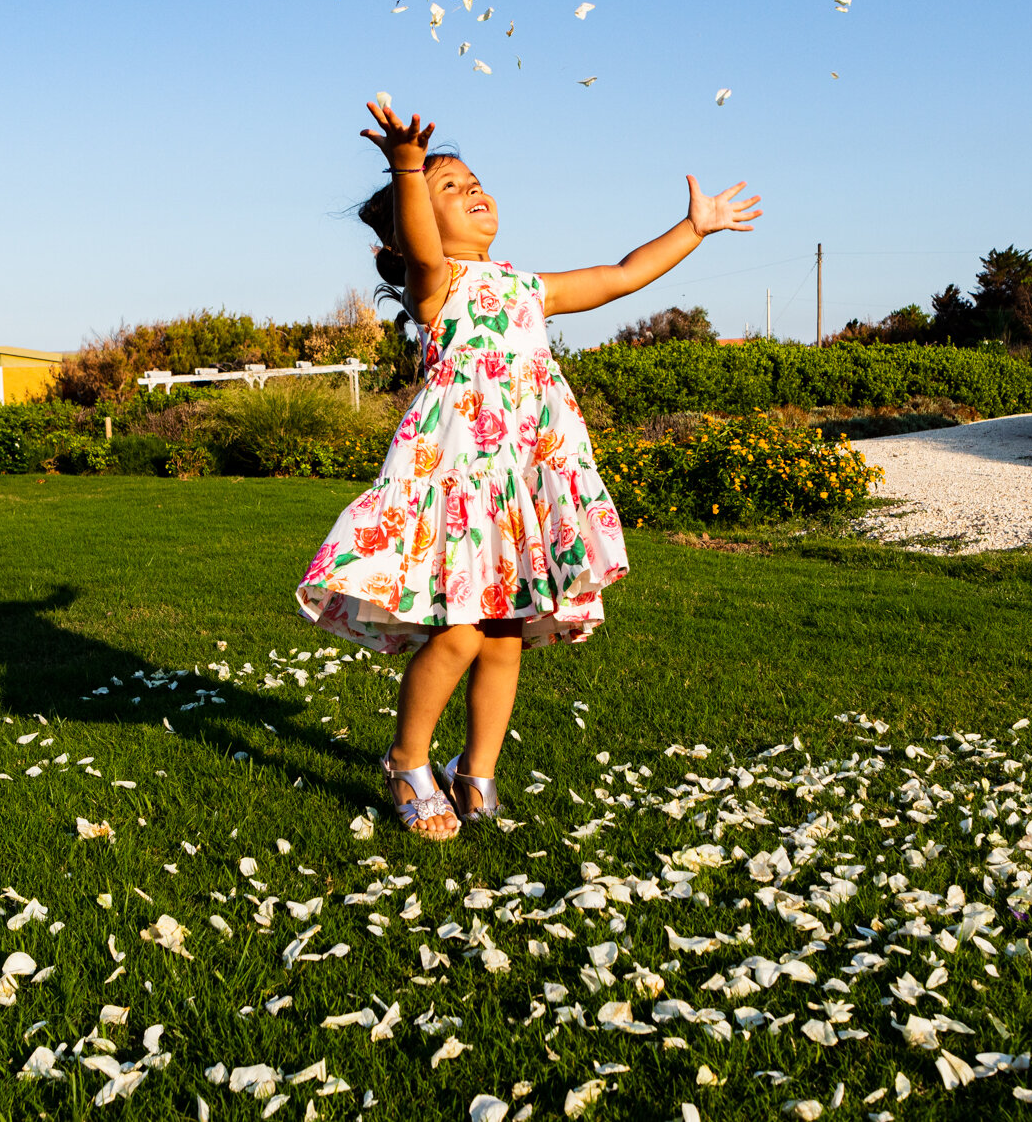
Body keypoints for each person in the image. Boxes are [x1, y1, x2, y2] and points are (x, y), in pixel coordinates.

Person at [295, 102, 763, 840]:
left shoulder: (525, 286)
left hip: (520, 484)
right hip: (460, 485)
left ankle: (475, 774)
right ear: (410, 221)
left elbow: (621, 275)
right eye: (452, 188)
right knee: (458, 634)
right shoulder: (437, 287)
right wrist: (409, 169)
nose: (473, 190)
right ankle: (407, 761)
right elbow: (421, 246)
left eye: (474, 179)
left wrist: (694, 228)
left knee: (506, 634)